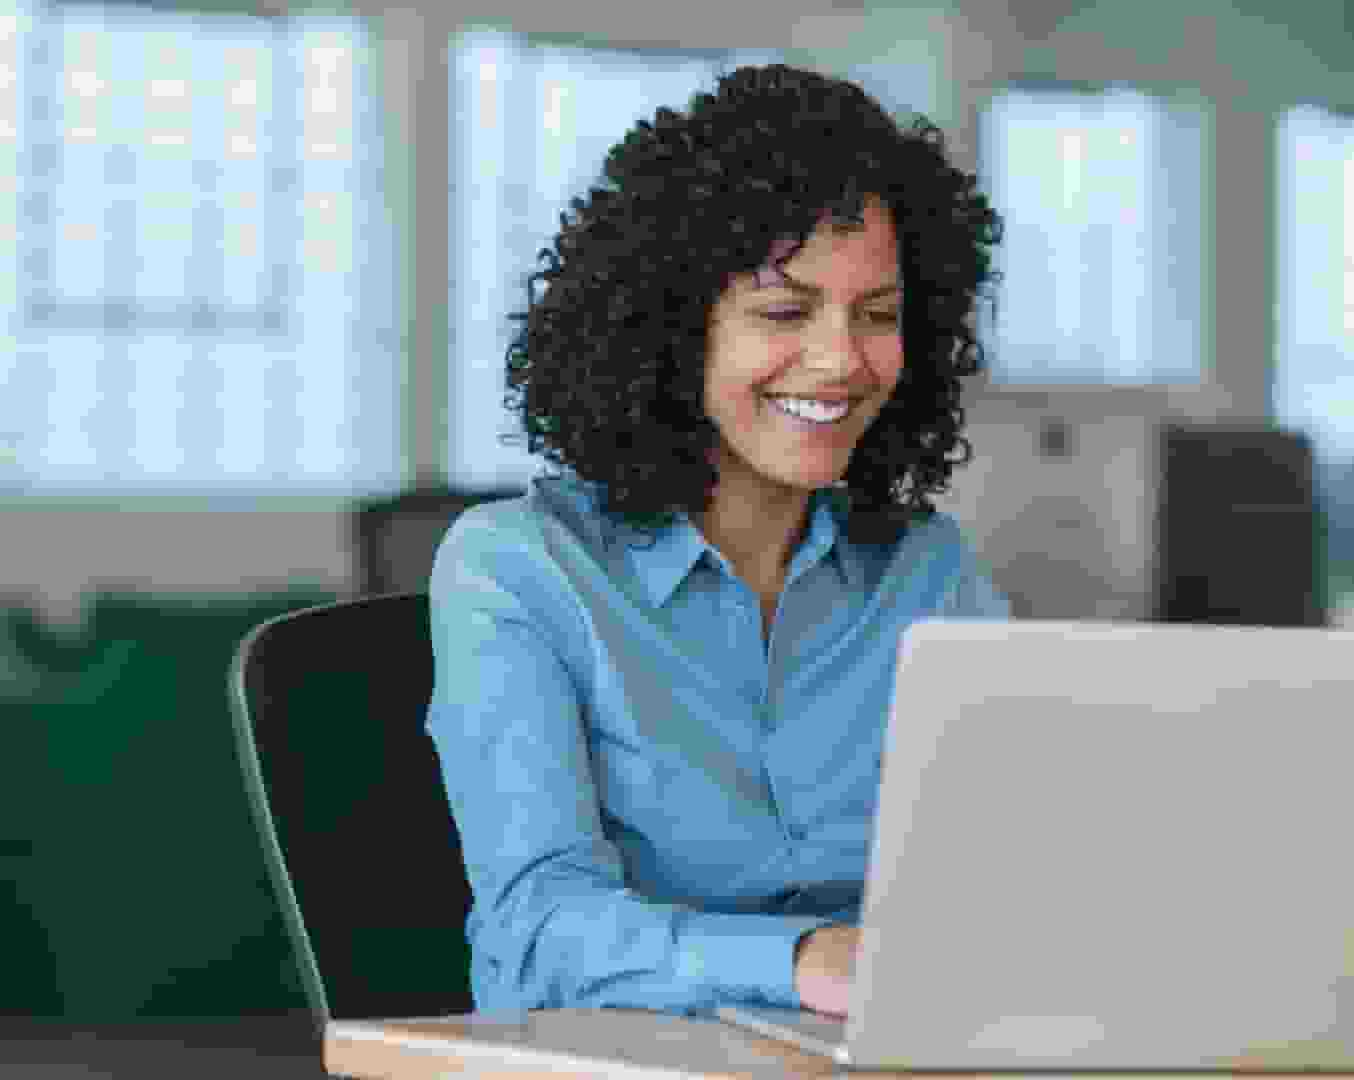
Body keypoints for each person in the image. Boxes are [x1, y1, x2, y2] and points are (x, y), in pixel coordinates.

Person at [426, 62, 1008, 1018]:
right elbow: (535, 934)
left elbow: (1025, 871)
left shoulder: (928, 574)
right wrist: (803, 961)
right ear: (670, 333)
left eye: (878, 314)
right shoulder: (518, 570)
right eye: (785, 312)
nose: (842, 360)